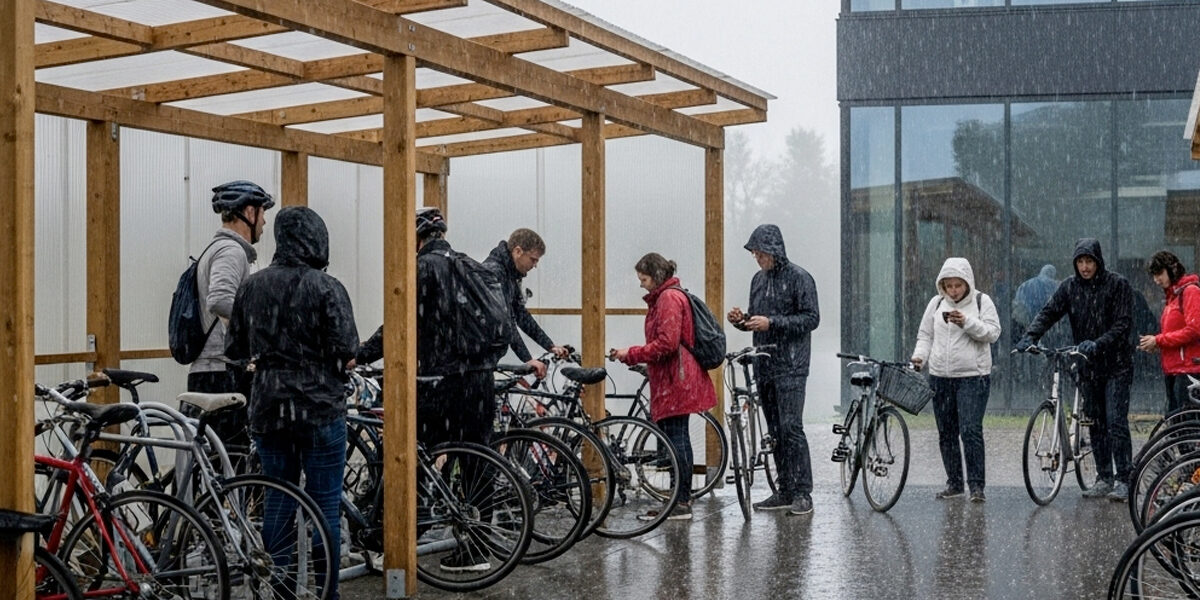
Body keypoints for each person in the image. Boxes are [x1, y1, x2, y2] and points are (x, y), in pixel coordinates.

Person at [225, 206, 359, 599]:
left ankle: (282, 591)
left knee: (278, 503)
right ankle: (326, 594)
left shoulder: (252, 286)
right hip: (320, 408)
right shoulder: (326, 286)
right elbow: (347, 347)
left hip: (269, 407)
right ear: (317, 238)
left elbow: (235, 348)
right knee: (324, 508)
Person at [1016, 238, 1135, 502]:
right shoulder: (1069, 288)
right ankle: (1104, 477)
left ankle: (1125, 478)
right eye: (1080, 262)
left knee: (1115, 420)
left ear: (1098, 261)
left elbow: (1123, 324)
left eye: (1089, 261)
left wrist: (1099, 343)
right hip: (1088, 364)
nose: (1084, 267)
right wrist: (1030, 336)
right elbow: (1049, 312)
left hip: (1116, 364)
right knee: (1095, 421)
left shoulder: (1117, 285)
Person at [610, 253, 717, 521]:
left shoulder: (668, 298)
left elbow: (667, 344)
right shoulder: (672, 295)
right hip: (678, 376)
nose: (641, 285)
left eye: (643, 279)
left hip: (675, 378)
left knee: (675, 439)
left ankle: (679, 502)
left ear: (656, 276)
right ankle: (680, 498)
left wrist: (631, 353)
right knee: (677, 437)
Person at [726, 224, 820, 516]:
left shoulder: (800, 278)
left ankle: (803, 491)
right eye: (754, 254)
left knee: (792, 428)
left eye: (761, 253)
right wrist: (742, 321)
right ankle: (784, 490)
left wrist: (773, 323)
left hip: (791, 365)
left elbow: (811, 318)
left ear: (774, 251)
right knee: (775, 430)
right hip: (764, 363)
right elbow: (759, 319)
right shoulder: (758, 280)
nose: (757, 259)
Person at [187, 180, 275, 448]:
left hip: (209, 371)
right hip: (220, 372)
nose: (264, 223)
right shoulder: (231, 250)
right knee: (231, 462)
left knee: (215, 461)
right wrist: (255, 328)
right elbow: (220, 300)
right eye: (263, 213)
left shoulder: (218, 249)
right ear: (249, 213)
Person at [910, 257, 1001, 503]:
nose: (953, 291)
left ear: (967, 283)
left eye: (957, 285)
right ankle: (955, 483)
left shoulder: (983, 301)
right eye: (948, 286)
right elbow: (925, 336)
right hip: (940, 377)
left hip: (973, 377)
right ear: (942, 286)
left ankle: (977, 486)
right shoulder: (936, 303)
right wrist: (919, 358)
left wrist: (967, 322)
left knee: (970, 430)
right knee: (946, 432)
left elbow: (993, 333)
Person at [482, 228, 569, 377]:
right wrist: (528, 359)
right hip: (477, 358)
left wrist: (549, 345)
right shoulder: (495, 273)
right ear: (518, 251)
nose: (535, 265)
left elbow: (521, 315)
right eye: (533, 259)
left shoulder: (508, 274)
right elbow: (506, 321)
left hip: (483, 358)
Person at [1137, 251, 1200, 416]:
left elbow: (1194, 330)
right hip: (1175, 369)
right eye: (1154, 275)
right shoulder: (1173, 297)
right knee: (1177, 426)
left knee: (1186, 427)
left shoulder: (1190, 292)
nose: (1156, 280)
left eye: (1159, 274)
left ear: (1172, 269)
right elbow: (1176, 333)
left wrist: (1159, 341)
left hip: (1188, 369)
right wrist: (1159, 344)